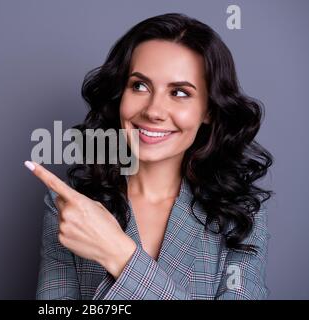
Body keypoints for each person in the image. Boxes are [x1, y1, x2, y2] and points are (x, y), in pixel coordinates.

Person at [28, 13, 273, 300]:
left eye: (180, 92)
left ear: (208, 110)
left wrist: (119, 255)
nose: (153, 111)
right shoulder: (70, 209)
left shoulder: (241, 217)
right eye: (139, 86)